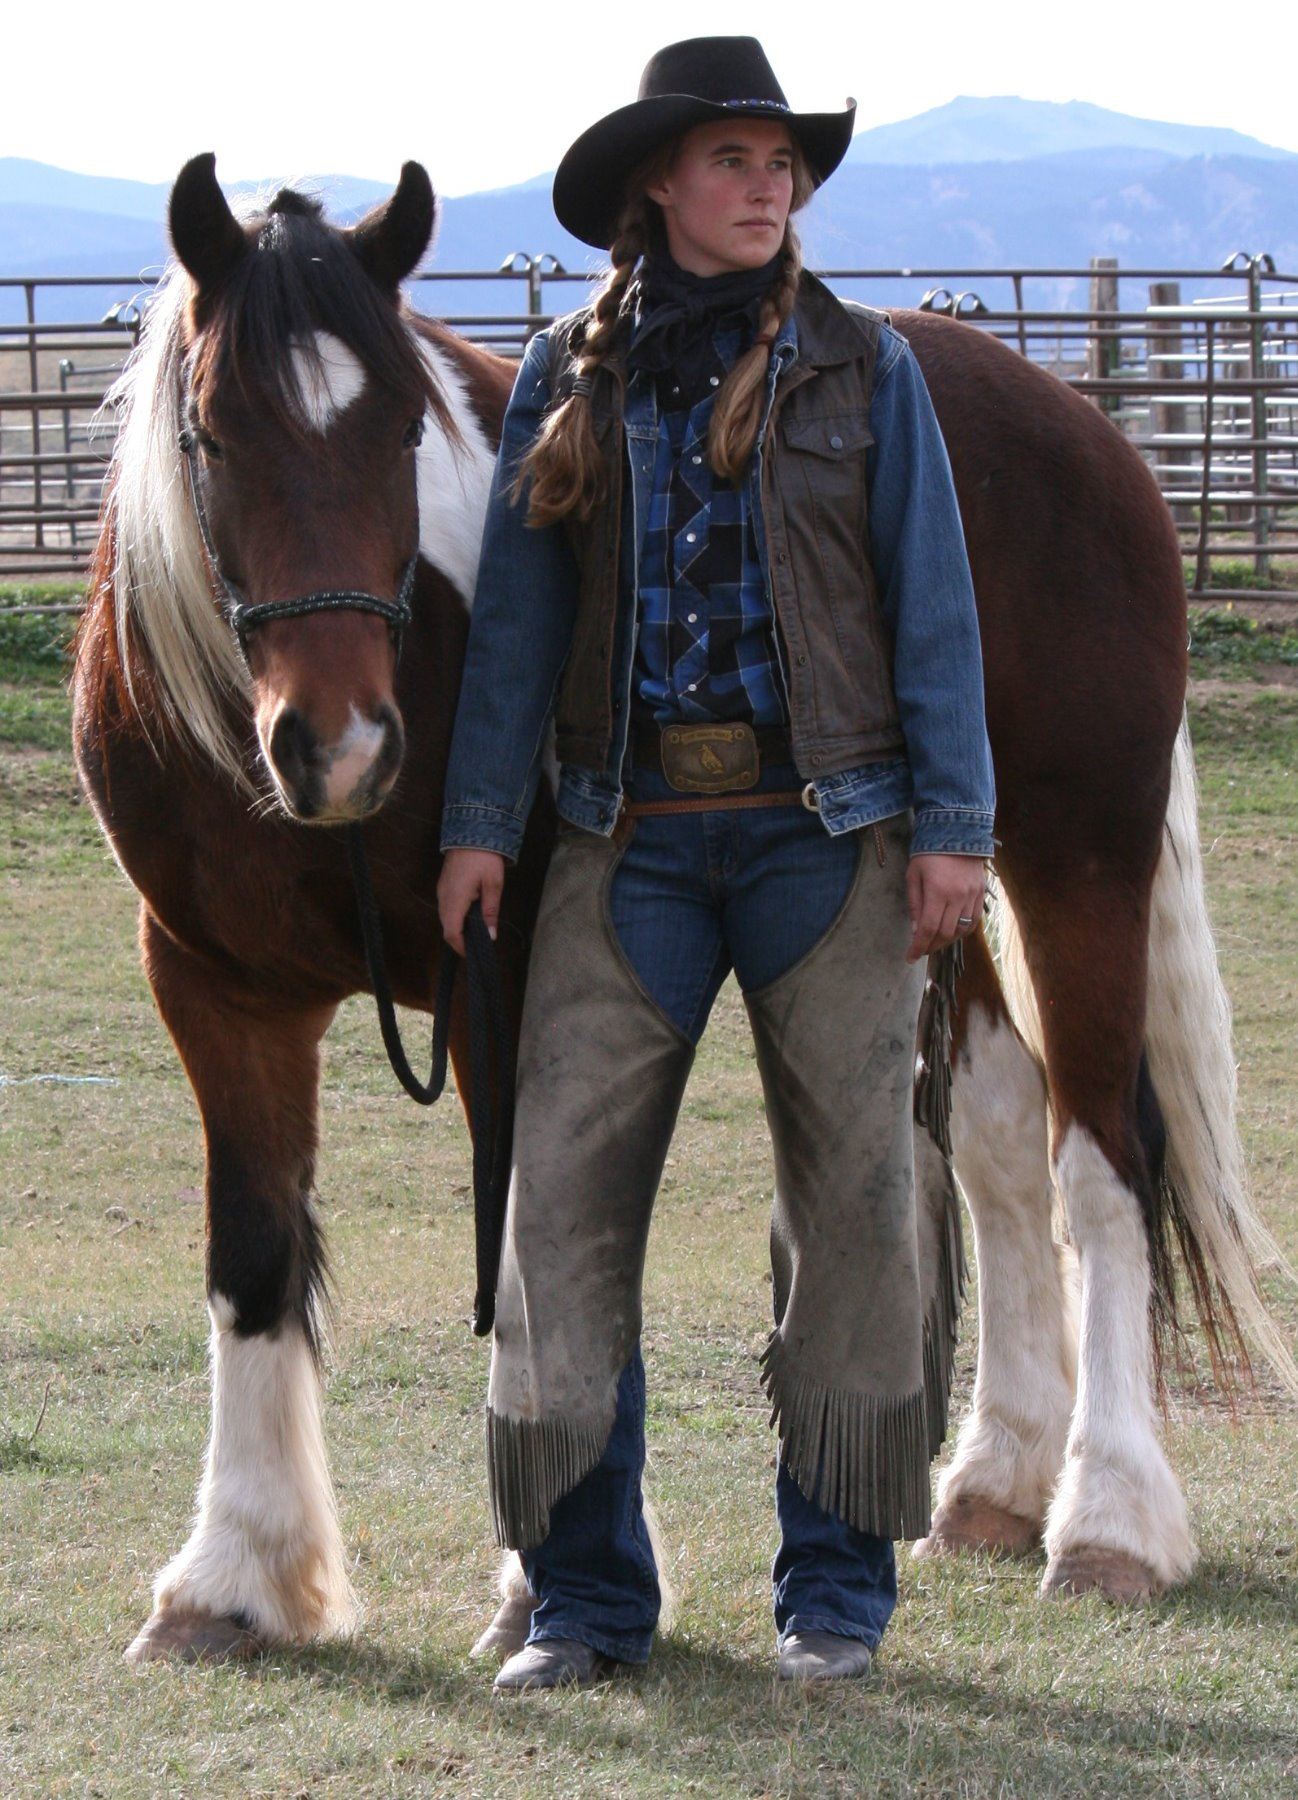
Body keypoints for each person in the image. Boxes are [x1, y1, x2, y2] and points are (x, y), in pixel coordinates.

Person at [437, 35, 995, 1691]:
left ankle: (833, 1595)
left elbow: (932, 604)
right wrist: (478, 825)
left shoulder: (861, 368)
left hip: (829, 835)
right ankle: (586, 1602)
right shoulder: (570, 372)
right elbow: (519, 623)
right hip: (625, 845)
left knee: (856, 1208)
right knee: (559, 1205)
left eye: (781, 164)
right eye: (733, 161)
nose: (767, 187)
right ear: (659, 186)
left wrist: (953, 830)